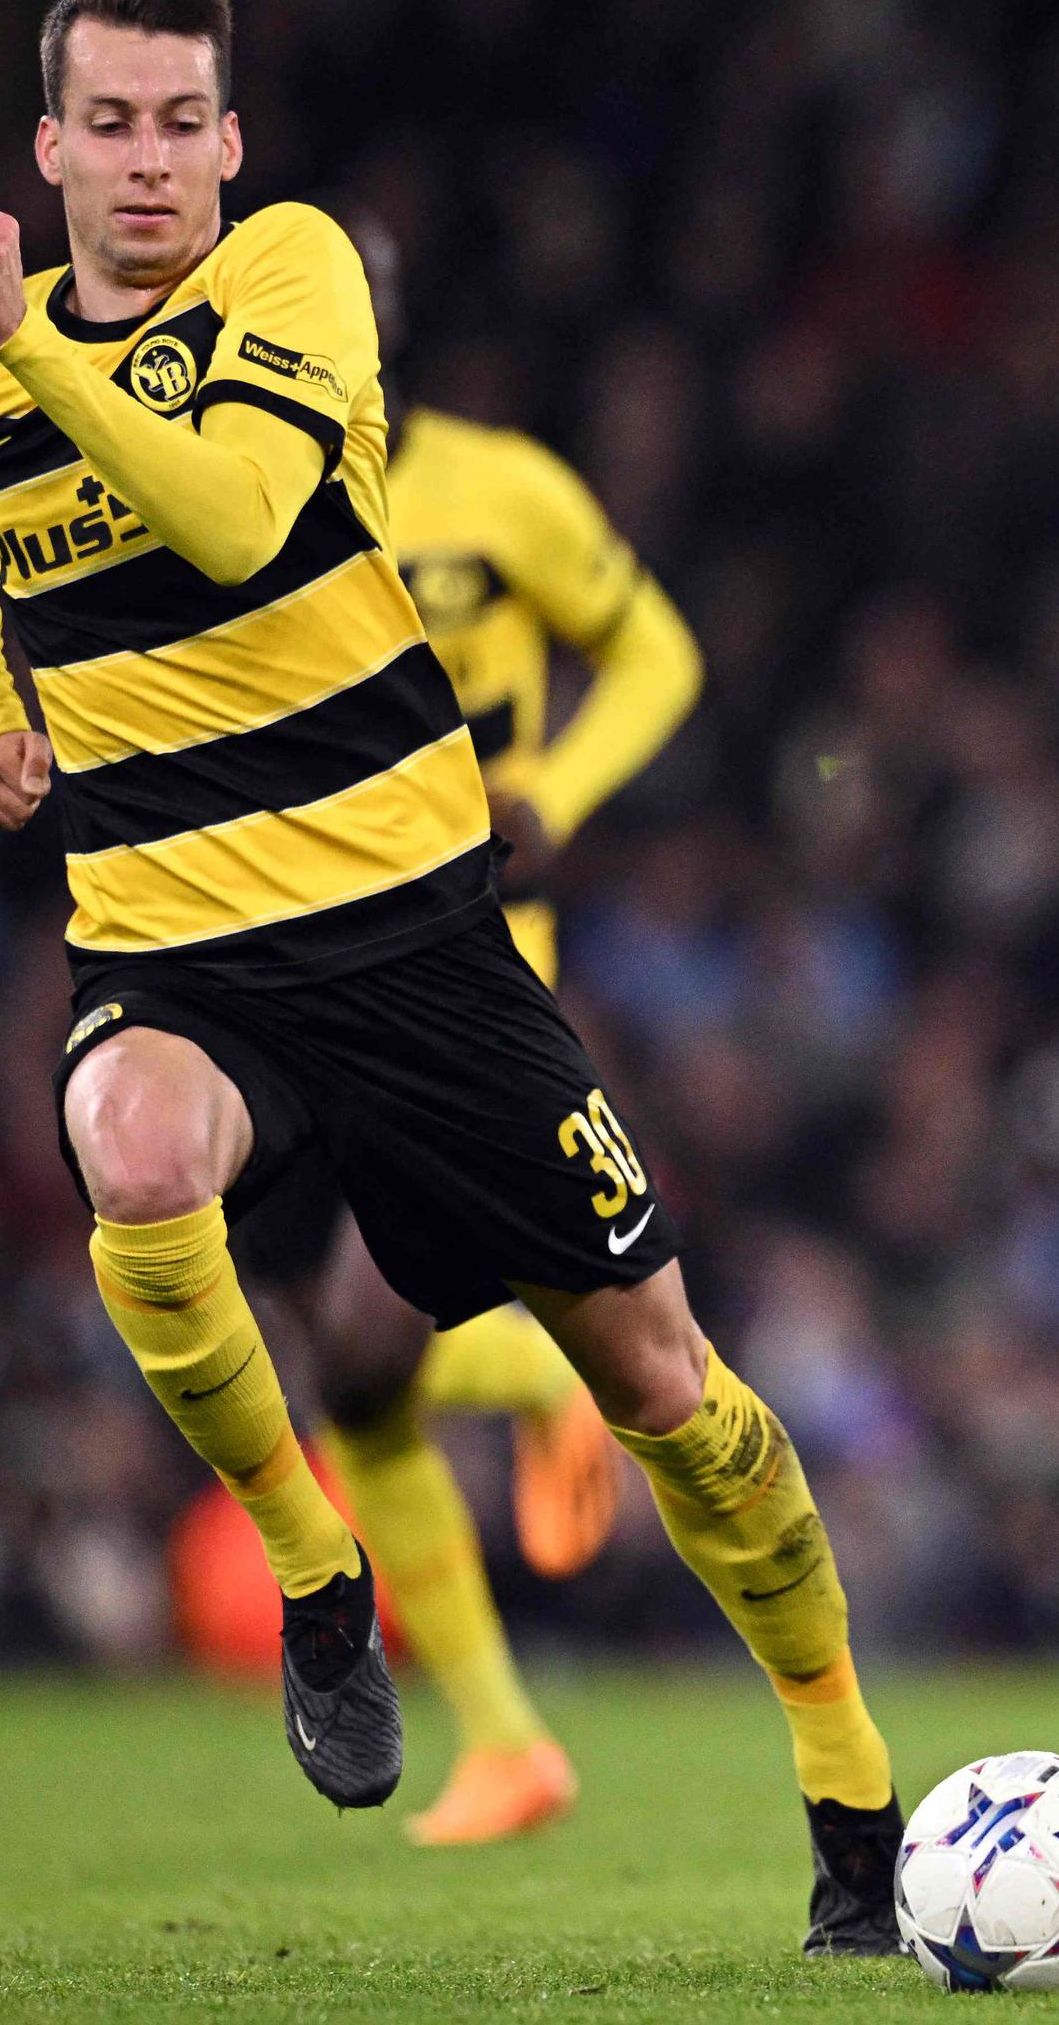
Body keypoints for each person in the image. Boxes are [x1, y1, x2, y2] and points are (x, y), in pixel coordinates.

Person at [0, 0, 895, 1951]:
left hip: (420, 944)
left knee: (674, 1390)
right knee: (134, 1156)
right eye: (114, 125)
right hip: (173, 938)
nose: (151, 161)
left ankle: (849, 1788)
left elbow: (240, 521)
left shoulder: (295, 279)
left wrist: (37, 350)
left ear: (230, 148)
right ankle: (317, 1576)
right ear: (54, 145)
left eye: (186, 125)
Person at [238, 214, 709, 1848]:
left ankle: (553, 1384)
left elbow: (658, 648)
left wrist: (558, 790)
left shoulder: (499, 488)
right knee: (345, 1357)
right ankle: (507, 1737)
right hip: (277, 946)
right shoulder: (231, 491)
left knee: (368, 1341)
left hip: (463, 943)